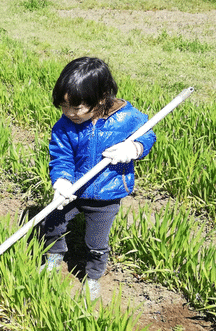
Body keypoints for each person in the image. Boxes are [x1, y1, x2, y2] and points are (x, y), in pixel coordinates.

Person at [41, 57, 155, 298]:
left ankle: (93, 277)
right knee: (52, 221)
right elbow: (61, 156)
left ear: (101, 98)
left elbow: (148, 135)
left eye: (76, 107)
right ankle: (54, 255)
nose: (69, 113)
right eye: (64, 106)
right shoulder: (65, 126)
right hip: (74, 190)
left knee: (96, 243)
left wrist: (134, 148)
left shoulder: (127, 118)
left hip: (107, 193)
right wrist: (61, 180)